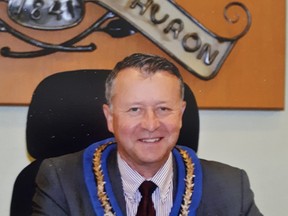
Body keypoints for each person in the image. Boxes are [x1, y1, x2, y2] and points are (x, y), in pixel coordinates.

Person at [32, 53, 262, 215]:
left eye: (163, 109)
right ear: (110, 118)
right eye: (135, 110)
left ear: (180, 114)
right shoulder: (63, 182)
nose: (151, 124)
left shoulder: (230, 187)